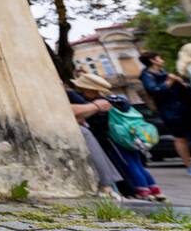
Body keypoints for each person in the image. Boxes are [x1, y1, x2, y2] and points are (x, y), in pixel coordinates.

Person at [68, 72, 166, 201]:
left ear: (87, 89)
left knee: (130, 164)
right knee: (138, 163)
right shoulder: (115, 100)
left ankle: (143, 191)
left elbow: (98, 124)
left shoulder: (99, 104)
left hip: (115, 140)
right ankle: (155, 190)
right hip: (130, 137)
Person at [142, 50, 191, 176]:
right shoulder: (147, 75)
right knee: (181, 138)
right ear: (153, 60)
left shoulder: (164, 72)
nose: (162, 60)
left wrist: (182, 82)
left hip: (188, 108)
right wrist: (170, 81)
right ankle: (190, 168)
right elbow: (154, 90)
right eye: (160, 57)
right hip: (171, 111)